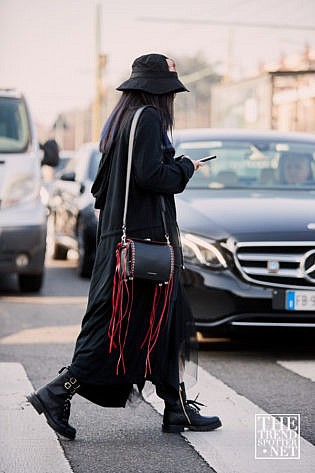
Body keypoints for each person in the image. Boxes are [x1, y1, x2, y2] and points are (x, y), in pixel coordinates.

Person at [27, 53, 222, 439]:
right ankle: (55, 392)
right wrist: (184, 167)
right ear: (160, 92)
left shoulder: (122, 121)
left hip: (125, 241)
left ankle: (175, 407)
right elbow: (151, 175)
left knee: (162, 327)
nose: (173, 100)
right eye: (171, 93)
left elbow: (103, 188)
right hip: (141, 245)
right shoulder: (147, 119)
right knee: (117, 329)